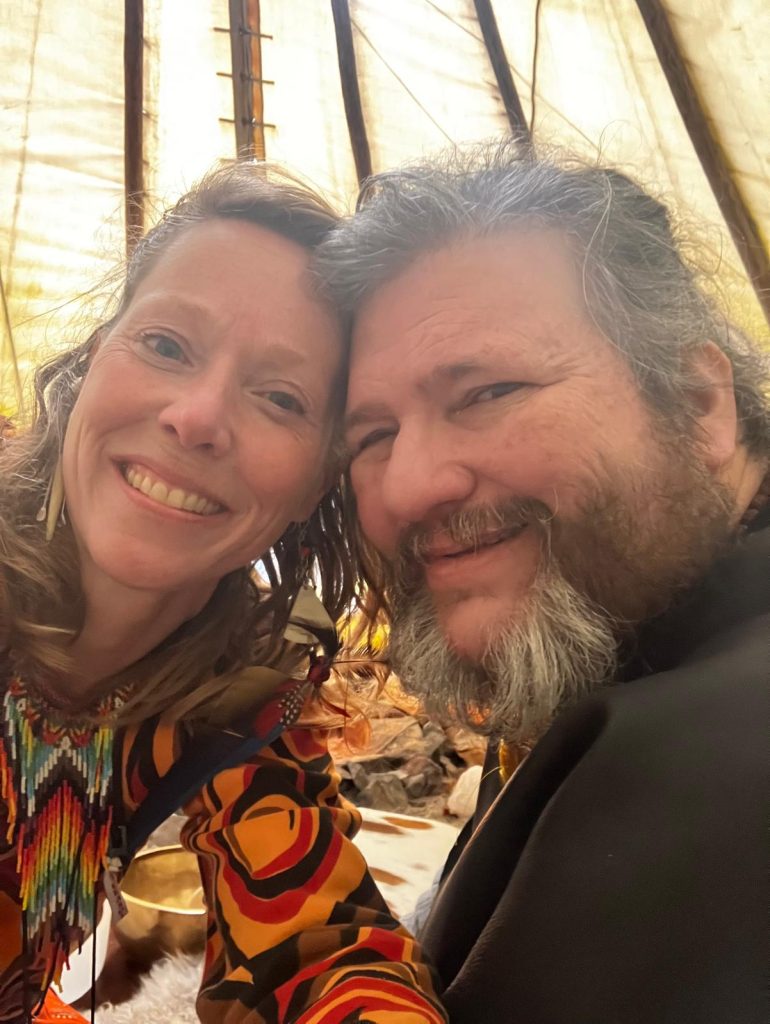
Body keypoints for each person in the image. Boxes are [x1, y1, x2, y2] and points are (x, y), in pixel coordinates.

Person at [316, 142, 769, 1022]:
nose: (408, 487)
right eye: (371, 437)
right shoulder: (635, 632)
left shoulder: (715, 760)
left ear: (698, 401)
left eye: (487, 392)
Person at [0, 163, 446, 1024]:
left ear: (320, 481)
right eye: (166, 346)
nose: (197, 417)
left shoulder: (240, 701)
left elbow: (321, 952)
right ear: (93, 361)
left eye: (279, 397)